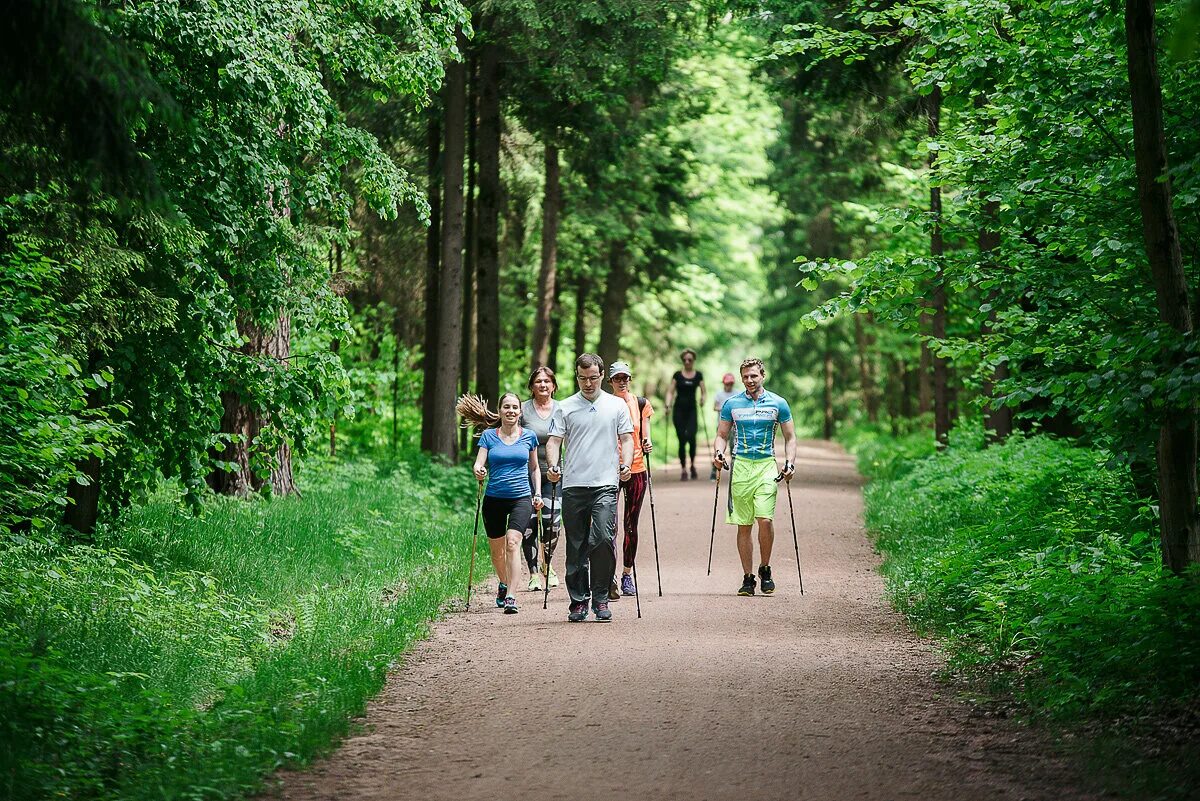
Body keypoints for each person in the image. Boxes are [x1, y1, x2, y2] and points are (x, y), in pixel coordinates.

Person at [546, 353, 634, 622]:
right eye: (583, 378)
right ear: (577, 377)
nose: (588, 383)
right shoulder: (564, 406)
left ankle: (601, 597)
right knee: (576, 545)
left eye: (593, 378)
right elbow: (553, 442)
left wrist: (626, 464)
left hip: (606, 484)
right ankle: (578, 601)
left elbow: (627, 438)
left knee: (603, 540)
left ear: (601, 376)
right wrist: (552, 466)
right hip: (573, 485)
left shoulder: (616, 406)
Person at [711, 357, 797, 597]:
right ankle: (748, 578)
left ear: (763, 376)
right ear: (741, 379)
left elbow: (790, 437)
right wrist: (718, 453)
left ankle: (765, 568)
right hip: (740, 467)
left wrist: (790, 463)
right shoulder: (732, 404)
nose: (749, 380)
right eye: (746, 377)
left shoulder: (778, 403)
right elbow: (721, 435)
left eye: (754, 376)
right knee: (744, 524)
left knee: (765, 519)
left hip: (767, 466)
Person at [461, 392, 544, 614]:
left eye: (515, 407)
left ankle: (511, 597)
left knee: (512, 543)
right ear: (500, 411)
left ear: (520, 411)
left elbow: (534, 468)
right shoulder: (489, 436)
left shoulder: (529, 436)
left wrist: (537, 493)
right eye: (506, 407)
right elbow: (479, 463)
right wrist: (478, 470)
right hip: (494, 499)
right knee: (497, 553)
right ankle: (504, 582)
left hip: (521, 498)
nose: (511, 411)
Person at [607, 360, 654, 597]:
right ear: (610, 381)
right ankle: (610, 576)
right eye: (617, 378)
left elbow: (644, 434)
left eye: (625, 378)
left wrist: (647, 442)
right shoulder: (603, 404)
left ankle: (627, 574)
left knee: (630, 525)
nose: (622, 382)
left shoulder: (641, 403)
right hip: (609, 471)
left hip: (636, 469)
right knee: (609, 525)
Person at [520, 366, 561, 592]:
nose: (543, 385)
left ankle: (549, 563)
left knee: (551, 523)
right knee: (528, 525)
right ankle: (534, 573)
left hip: (555, 474)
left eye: (547, 381)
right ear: (532, 386)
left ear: (553, 385)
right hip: (526, 474)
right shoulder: (523, 410)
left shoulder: (562, 409)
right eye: (538, 381)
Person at [665, 348, 706, 481]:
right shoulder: (677, 375)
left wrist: (702, 399)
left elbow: (704, 391)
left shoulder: (698, 375)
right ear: (682, 360)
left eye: (690, 359)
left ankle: (693, 465)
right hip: (679, 410)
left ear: (693, 360)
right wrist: (667, 405)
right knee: (682, 439)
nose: (687, 362)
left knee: (691, 437)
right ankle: (683, 469)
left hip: (692, 410)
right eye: (685, 359)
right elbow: (670, 391)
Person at [709, 372, 737, 480]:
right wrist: (724, 409)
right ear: (724, 383)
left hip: (734, 426)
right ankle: (714, 470)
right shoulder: (719, 394)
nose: (729, 386)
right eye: (727, 383)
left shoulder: (737, 393)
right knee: (719, 449)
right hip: (721, 425)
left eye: (730, 384)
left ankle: (734, 471)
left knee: (734, 448)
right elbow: (714, 407)